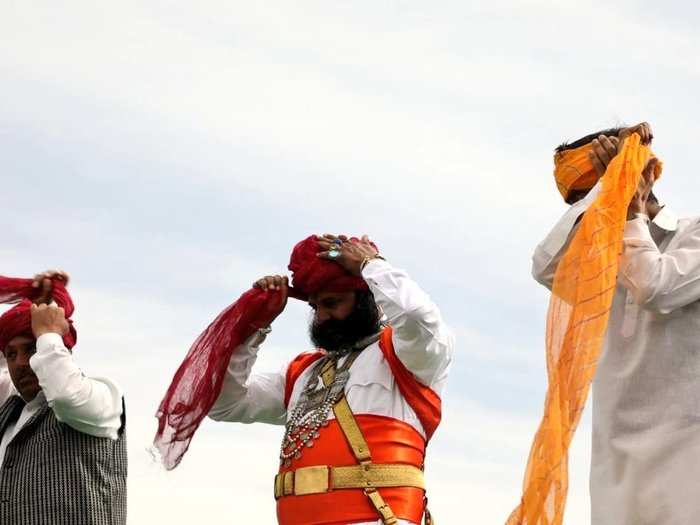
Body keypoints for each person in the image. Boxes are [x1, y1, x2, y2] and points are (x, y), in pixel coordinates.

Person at [155, 235, 453, 525]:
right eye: (315, 307)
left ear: (367, 298)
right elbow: (224, 404)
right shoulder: (303, 373)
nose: (321, 317)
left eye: (332, 303)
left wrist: (371, 265)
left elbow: (416, 316)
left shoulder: (406, 357)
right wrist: (255, 325)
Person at [527, 122, 700, 525]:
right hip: (615, 455)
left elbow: (654, 287)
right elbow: (544, 266)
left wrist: (629, 210)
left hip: (687, 446)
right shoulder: (599, 256)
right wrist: (606, 192)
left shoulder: (693, 235)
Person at [0, 270, 126, 525]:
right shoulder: (9, 410)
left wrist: (47, 331)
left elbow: (66, 396)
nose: (21, 363)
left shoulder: (101, 397)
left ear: (58, 346)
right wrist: (38, 305)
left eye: (32, 348)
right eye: (11, 354)